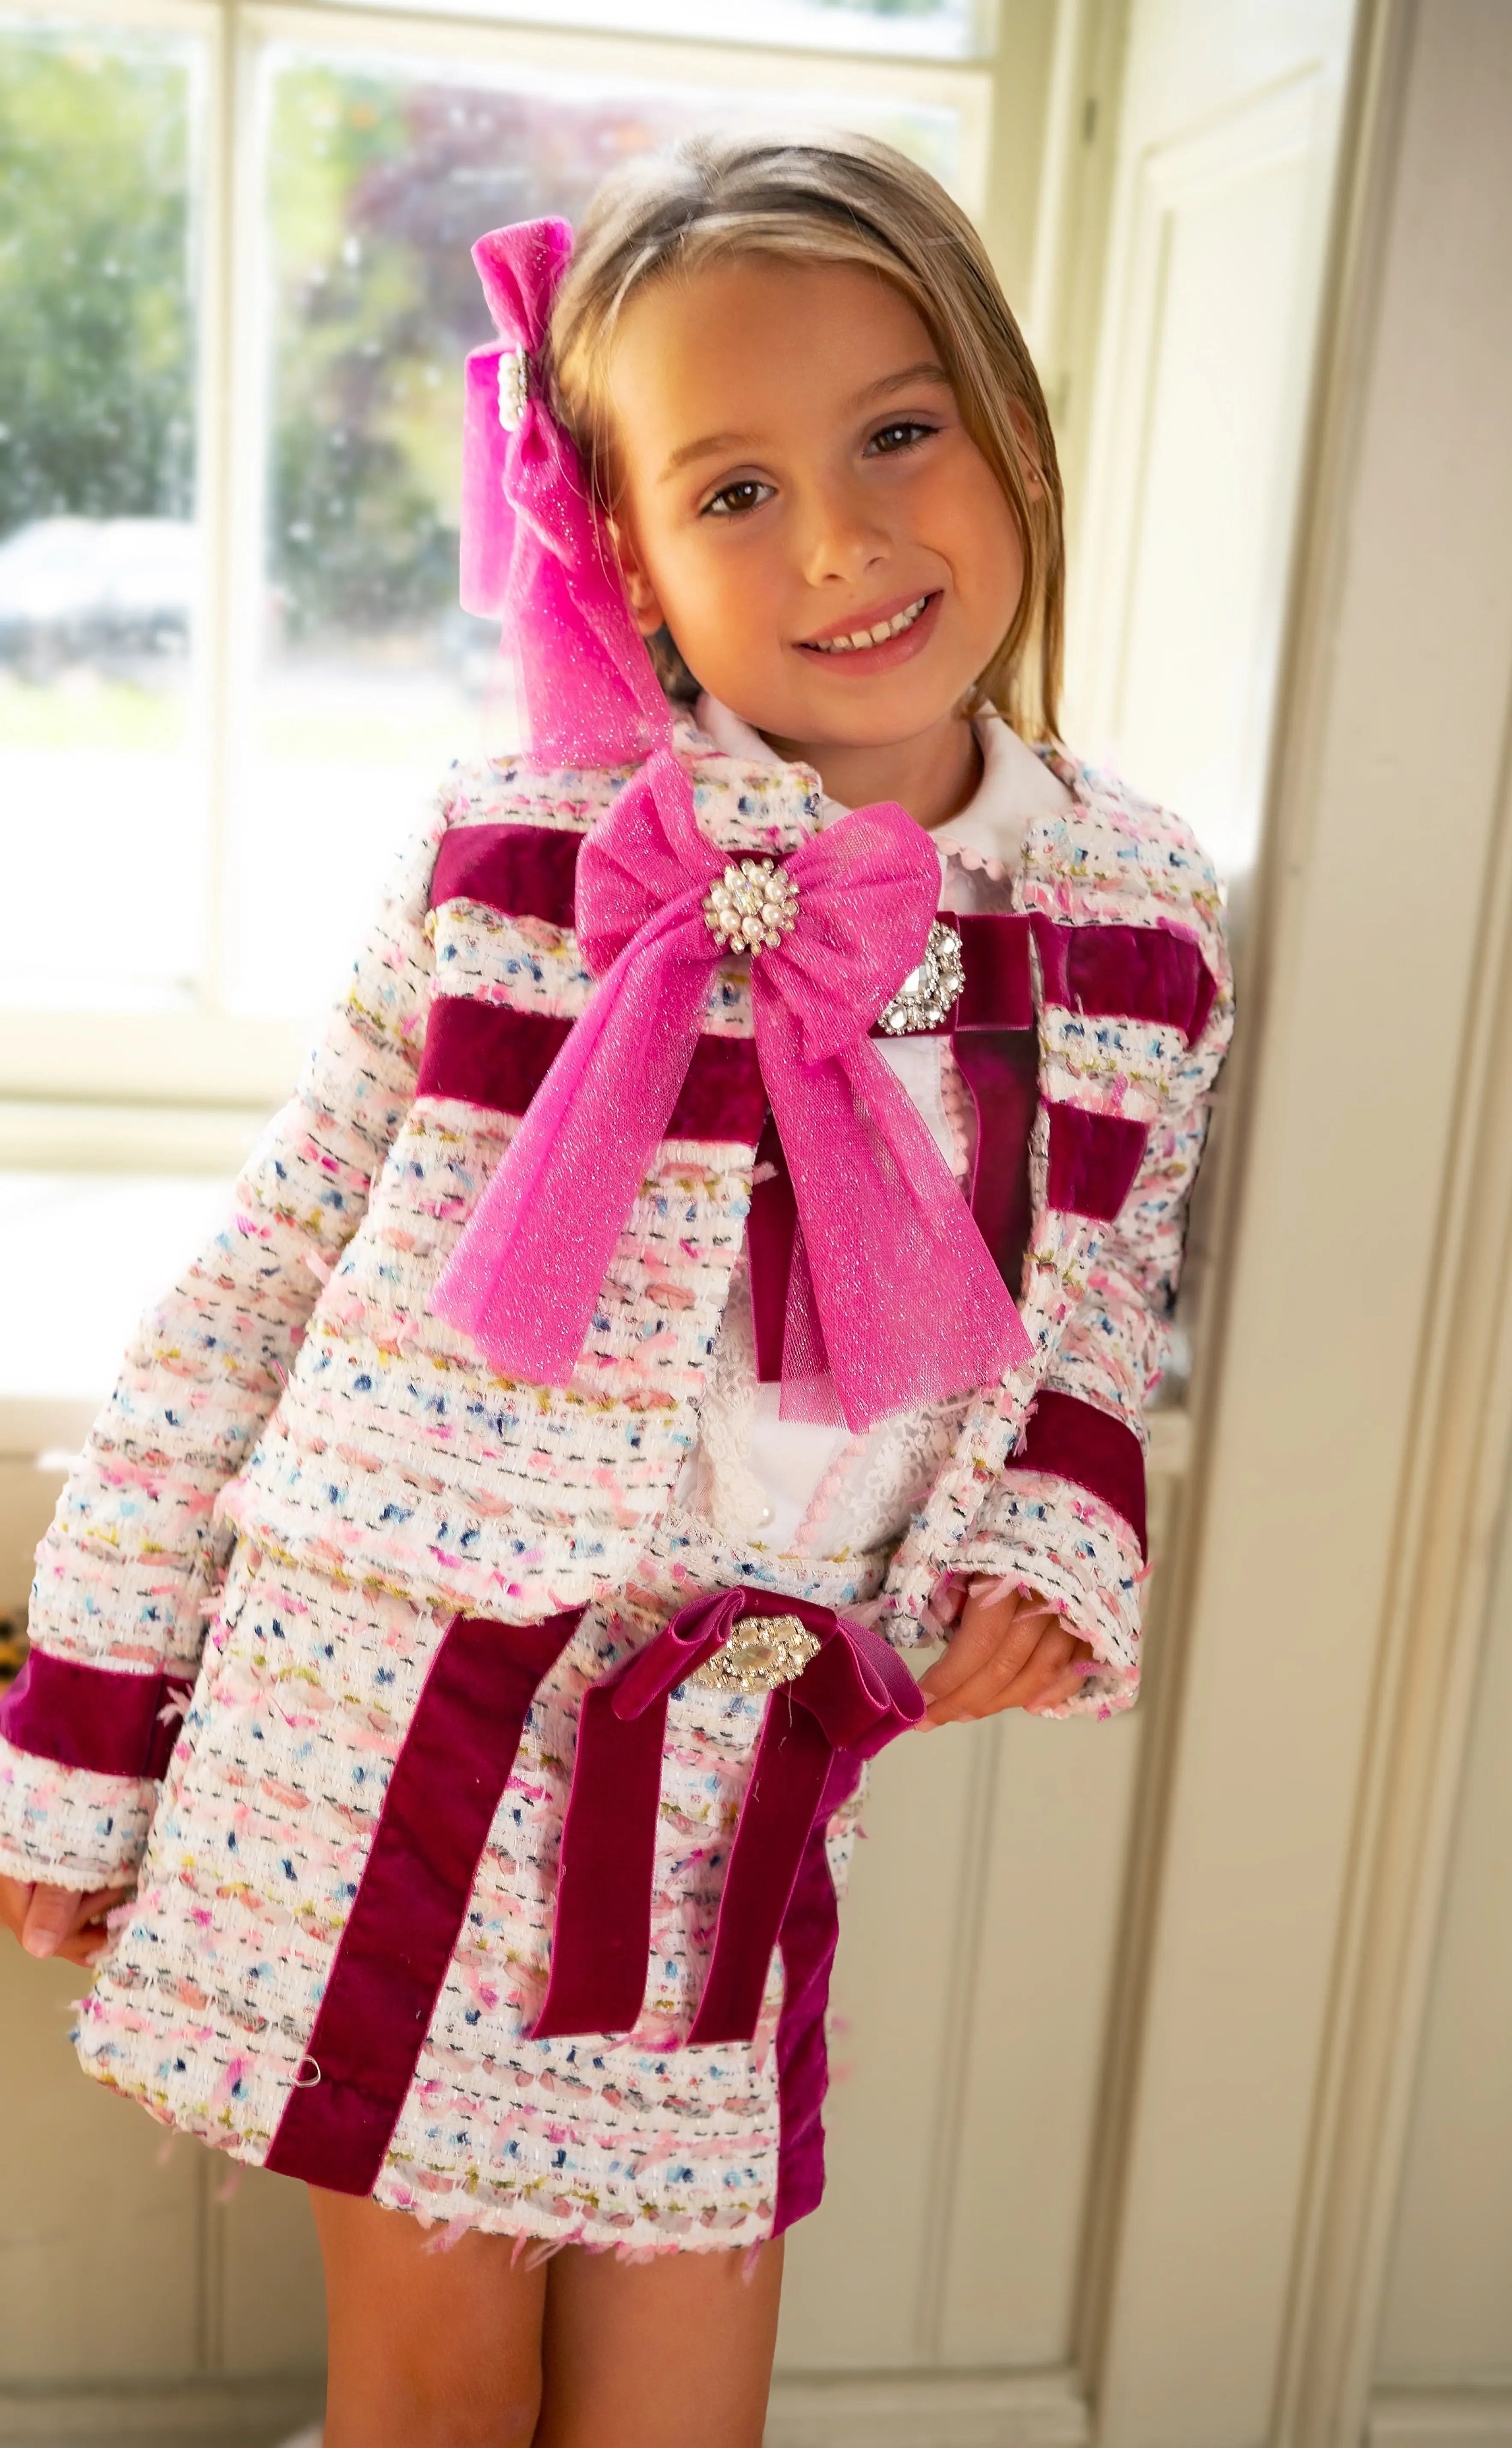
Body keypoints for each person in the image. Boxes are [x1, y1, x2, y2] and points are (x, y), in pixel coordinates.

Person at [0, 133, 1231, 2448]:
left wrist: (1054, 1542)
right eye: (734, 489)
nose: (845, 542)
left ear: (1013, 429)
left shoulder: (1133, 905)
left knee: (684, 2410)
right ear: (629, 557)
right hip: (389, 1720)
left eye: (894, 432)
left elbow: (1090, 1297)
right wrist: (79, 1743)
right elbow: (264, 1285)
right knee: (438, 2401)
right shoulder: (524, 855)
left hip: (735, 1750)